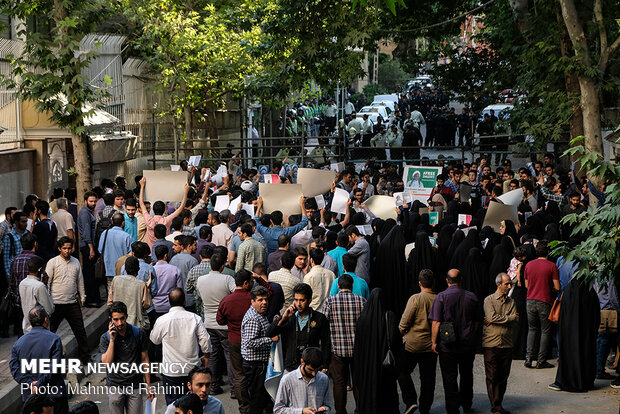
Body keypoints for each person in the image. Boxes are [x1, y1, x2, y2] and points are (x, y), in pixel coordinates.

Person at [429, 269, 480, 414]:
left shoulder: (441, 297)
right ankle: (466, 403)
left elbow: (436, 322)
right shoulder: (471, 297)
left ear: (447, 280)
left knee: (449, 377)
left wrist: (434, 342)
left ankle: (452, 407)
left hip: (447, 345)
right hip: (467, 344)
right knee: (466, 374)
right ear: (461, 279)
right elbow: (477, 322)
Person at [150, 289, 212, 405]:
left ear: (168, 301)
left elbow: (154, 340)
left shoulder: (162, 320)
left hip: (171, 371)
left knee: (174, 405)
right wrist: (206, 355)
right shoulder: (195, 318)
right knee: (194, 404)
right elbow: (205, 340)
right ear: (184, 301)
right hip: (192, 369)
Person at [322, 274, 366, 414]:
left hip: (337, 350)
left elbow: (324, 325)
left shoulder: (330, 302)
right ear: (352, 286)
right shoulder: (362, 301)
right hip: (358, 350)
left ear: (339, 286)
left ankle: (341, 411)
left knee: (339, 383)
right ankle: (360, 409)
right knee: (358, 382)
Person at [10, 307, 68, 413]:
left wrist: (30, 383)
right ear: (46, 319)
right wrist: (39, 383)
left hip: (31, 398)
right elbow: (54, 367)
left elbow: (14, 369)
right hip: (54, 395)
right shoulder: (54, 339)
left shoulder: (18, 343)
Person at [100, 301, 153, 414]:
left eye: (122, 318)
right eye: (116, 319)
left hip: (135, 385)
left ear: (127, 317)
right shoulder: (106, 338)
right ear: (111, 319)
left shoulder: (138, 333)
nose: (119, 323)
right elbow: (106, 364)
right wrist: (112, 340)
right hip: (115, 386)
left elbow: (145, 359)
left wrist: (148, 385)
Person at [549, 278, 600, 392]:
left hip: (568, 333)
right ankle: (586, 381)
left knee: (569, 354)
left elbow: (562, 313)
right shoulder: (590, 292)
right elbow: (596, 315)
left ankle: (566, 379)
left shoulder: (568, 291)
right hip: (587, 333)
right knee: (586, 353)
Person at [267, 283, 331, 372]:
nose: (298, 304)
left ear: (310, 301)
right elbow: (269, 333)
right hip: (291, 367)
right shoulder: (289, 317)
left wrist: (324, 366)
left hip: (311, 367)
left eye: (302, 300)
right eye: (296, 300)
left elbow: (326, 343)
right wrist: (283, 318)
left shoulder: (319, 318)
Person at [398, 269, 437, 414]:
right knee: (428, 378)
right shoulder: (439, 299)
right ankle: (425, 407)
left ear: (419, 283)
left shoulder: (415, 299)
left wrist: (401, 332)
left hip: (412, 344)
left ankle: (410, 400)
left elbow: (404, 323)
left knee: (402, 371)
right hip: (431, 346)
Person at [195, 253, 236, 395]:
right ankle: (233, 389)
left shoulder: (201, 280)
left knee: (213, 355)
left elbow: (199, 297)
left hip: (209, 323)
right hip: (225, 324)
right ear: (222, 266)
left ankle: (213, 385)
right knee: (229, 356)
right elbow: (235, 296)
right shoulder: (228, 279)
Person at [46, 236, 89, 363]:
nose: (67, 251)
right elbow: (47, 283)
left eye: (69, 248)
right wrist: (48, 302)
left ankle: (85, 358)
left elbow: (80, 280)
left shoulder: (75, 262)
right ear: (59, 249)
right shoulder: (52, 262)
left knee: (80, 331)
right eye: (64, 248)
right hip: (56, 303)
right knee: (50, 332)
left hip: (72, 303)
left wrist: (83, 296)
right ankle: (48, 358)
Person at [483, 273, 519, 414]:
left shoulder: (511, 302)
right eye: (507, 284)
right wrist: (509, 318)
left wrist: (498, 320)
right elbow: (492, 317)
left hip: (506, 344)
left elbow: (515, 320)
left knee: (503, 376)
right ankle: (495, 406)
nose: (509, 286)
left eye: (510, 283)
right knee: (492, 376)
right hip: (491, 343)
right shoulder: (489, 300)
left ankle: (499, 404)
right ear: (499, 285)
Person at [241, 285, 279, 414]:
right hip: (255, 366)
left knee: (265, 399)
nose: (264, 302)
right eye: (260, 300)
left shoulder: (260, 314)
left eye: (266, 300)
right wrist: (270, 340)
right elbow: (249, 343)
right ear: (252, 301)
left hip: (259, 365)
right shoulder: (253, 318)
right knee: (257, 401)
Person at [523, 241, 560, 369]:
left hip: (530, 300)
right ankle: (541, 360)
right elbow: (557, 286)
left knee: (532, 329)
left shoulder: (528, 265)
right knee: (545, 331)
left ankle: (528, 358)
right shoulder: (552, 266)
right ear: (548, 252)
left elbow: (527, 285)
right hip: (544, 300)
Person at [273, 347, 331, 414]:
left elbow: (327, 405)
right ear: (302, 362)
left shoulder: (324, 379)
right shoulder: (287, 380)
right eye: (311, 370)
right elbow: (278, 410)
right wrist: (301, 411)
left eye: (317, 370)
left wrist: (324, 409)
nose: (314, 374)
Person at [138, 177, 189, 248]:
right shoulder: (166, 221)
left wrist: (142, 186)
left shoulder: (149, 220)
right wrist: (185, 192)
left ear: (153, 209)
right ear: (164, 210)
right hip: (164, 252)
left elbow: (141, 203)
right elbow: (181, 208)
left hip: (150, 252)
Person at [107, 256, 151, 329]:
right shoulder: (141, 284)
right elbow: (146, 305)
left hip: (117, 323)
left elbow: (110, 302)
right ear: (138, 269)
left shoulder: (116, 280)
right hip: (135, 324)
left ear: (124, 268)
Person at [19, 256, 54, 333]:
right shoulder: (39, 286)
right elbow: (50, 309)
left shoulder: (22, 283)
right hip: (40, 329)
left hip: (26, 327)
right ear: (41, 269)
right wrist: (46, 286)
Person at [77, 191, 101, 306]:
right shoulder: (84, 213)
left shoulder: (88, 212)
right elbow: (86, 234)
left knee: (91, 273)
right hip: (87, 246)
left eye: (94, 201)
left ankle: (92, 298)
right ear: (86, 201)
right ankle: (90, 299)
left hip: (89, 245)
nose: (93, 203)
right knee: (89, 274)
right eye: (91, 201)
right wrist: (91, 248)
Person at [98, 213, 133, 291]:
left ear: (112, 222)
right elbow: (130, 254)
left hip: (108, 269)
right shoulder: (126, 236)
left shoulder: (104, 233)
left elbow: (100, 250)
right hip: (123, 271)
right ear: (123, 223)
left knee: (111, 291)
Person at [170, 235, 200, 312]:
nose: (196, 247)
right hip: (189, 300)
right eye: (195, 245)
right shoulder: (193, 261)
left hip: (176, 298)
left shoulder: (173, 259)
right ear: (189, 246)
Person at [152, 245, 183, 316]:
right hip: (171, 307)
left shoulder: (151, 270)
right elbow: (179, 289)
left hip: (155, 306)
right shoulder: (175, 270)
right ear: (166, 255)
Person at [303, 248, 335, 312]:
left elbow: (305, 296)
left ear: (311, 260)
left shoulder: (309, 276)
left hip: (313, 311)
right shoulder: (331, 274)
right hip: (328, 310)